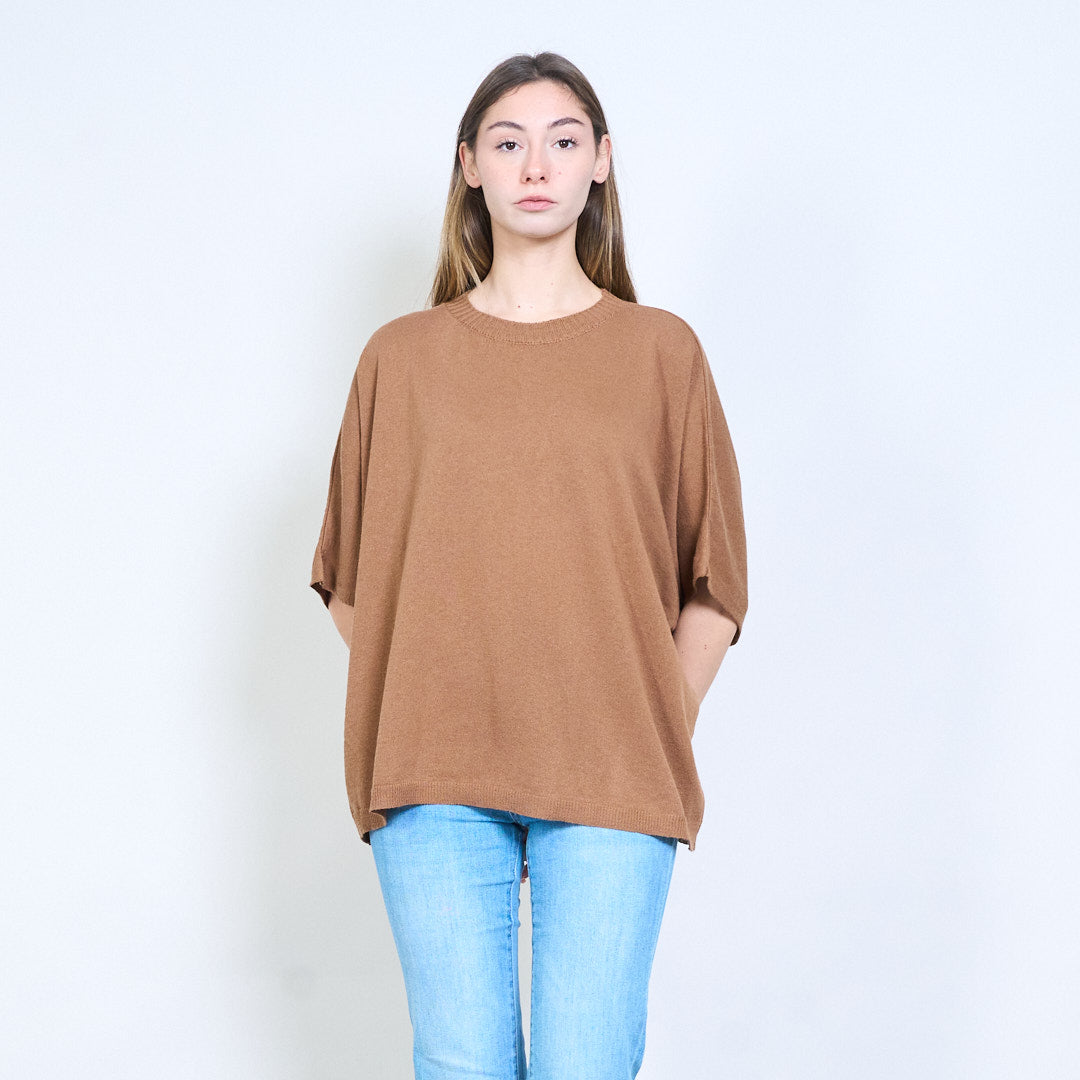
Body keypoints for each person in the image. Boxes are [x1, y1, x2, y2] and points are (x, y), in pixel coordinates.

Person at [309, 50, 748, 1080]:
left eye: (562, 140)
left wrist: (650, 713)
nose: (536, 165)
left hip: (614, 769)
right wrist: (431, 687)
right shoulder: (401, 359)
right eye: (508, 143)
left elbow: (716, 584)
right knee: (459, 1062)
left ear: (602, 160)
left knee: (586, 1064)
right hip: (433, 773)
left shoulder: (662, 354)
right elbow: (352, 578)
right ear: (471, 165)